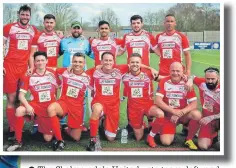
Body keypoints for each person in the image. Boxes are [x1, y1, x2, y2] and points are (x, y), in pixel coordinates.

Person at [86, 51, 157, 151]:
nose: (108, 62)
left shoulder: (120, 70)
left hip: (113, 106)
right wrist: (70, 67)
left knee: (111, 138)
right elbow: (78, 72)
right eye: (105, 60)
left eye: (110, 60)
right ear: (101, 61)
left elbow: (135, 64)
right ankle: (93, 138)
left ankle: (102, 123)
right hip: (99, 102)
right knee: (97, 109)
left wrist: (150, 68)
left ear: (114, 61)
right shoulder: (93, 71)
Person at [7, 51, 59, 151]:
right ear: (34, 63)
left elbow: (66, 73)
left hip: (48, 108)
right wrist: (27, 106)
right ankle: (17, 141)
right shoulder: (29, 75)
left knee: (47, 138)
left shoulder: (53, 73)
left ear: (47, 61)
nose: (40, 62)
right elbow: (21, 95)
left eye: (42, 60)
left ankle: (43, 127)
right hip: (35, 106)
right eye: (37, 61)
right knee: (19, 110)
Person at [147, 62, 201, 150]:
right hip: (169, 115)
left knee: (197, 115)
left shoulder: (187, 83)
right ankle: (159, 128)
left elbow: (194, 104)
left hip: (182, 115)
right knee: (166, 142)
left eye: (178, 71)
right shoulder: (164, 81)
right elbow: (158, 101)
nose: (175, 73)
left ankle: (189, 139)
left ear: (182, 71)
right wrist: (173, 112)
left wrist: (180, 112)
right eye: (173, 71)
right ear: (169, 71)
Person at [3, 4, 38, 140]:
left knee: (20, 97)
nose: (25, 17)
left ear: (30, 16)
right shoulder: (8, 28)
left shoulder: (33, 30)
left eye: (27, 15)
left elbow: (32, 53)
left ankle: (17, 125)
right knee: (11, 99)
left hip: (24, 68)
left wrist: (31, 67)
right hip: (10, 66)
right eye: (22, 14)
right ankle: (12, 129)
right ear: (19, 14)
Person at [119, 15, 160, 131]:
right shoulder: (127, 37)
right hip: (130, 72)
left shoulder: (148, 36)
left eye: (138, 23)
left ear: (142, 24)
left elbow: (157, 51)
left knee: (148, 97)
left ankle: (150, 123)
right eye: (133, 23)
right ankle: (131, 123)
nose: (136, 25)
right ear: (131, 24)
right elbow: (120, 51)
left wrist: (171, 60)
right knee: (130, 97)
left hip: (145, 72)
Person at [47, 52, 91, 151]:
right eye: (75, 62)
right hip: (64, 103)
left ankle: (65, 128)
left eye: (80, 62)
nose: (77, 64)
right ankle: (59, 140)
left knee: (76, 138)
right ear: (71, 62)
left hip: (77, 107)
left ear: (84, 64)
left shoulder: (88, 76)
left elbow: (102, 69)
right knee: (51, 108)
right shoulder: (65, 71)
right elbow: (50, 69)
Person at [28, 14, 62, 134]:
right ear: (44, 23)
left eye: (51, 22)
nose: (49, 24)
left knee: (53, 96)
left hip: (53, 71)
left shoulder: (58, 37)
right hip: (40, 69)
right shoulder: (37, 36)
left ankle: (53, 119)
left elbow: (63, 51)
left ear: (54, 23)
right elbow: (32, 54)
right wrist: (32, 67)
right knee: (37, 95)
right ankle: (37, 122)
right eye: (47, 22)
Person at [60, 21, 93, 131]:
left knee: (81, 99)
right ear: (71, 29)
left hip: (81, 76)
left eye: (78, 28)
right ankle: (63, 122)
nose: (76, 30)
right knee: (65, 97)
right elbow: (56, 53)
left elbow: (93, 54)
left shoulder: (85, 42)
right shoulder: (64, 41)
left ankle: (81, 122)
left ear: (81, 30)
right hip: (67, 76)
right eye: (74, 28)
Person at [122, 53, 163, 140]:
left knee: (160, 114)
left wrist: (185, 78)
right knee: (139, 137)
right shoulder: (124, 75)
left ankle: (151, 134)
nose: (135, 64)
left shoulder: (148, 73)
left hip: (147, 105)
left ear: (141, 64)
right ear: (128, 64)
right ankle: (142, 126)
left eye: (137, 62)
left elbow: (163, 79)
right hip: (134, 109)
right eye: (132, 62)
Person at [191, 67, 220, 150]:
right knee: (203, 146)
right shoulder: (202, 83)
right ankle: (213, 135)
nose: (210, 81)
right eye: (208, 79)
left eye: (213, 79)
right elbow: (192, 77)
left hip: (220, 119)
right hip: (207, 121)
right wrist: (190, 80)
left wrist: (212, 117)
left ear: (218, 78)